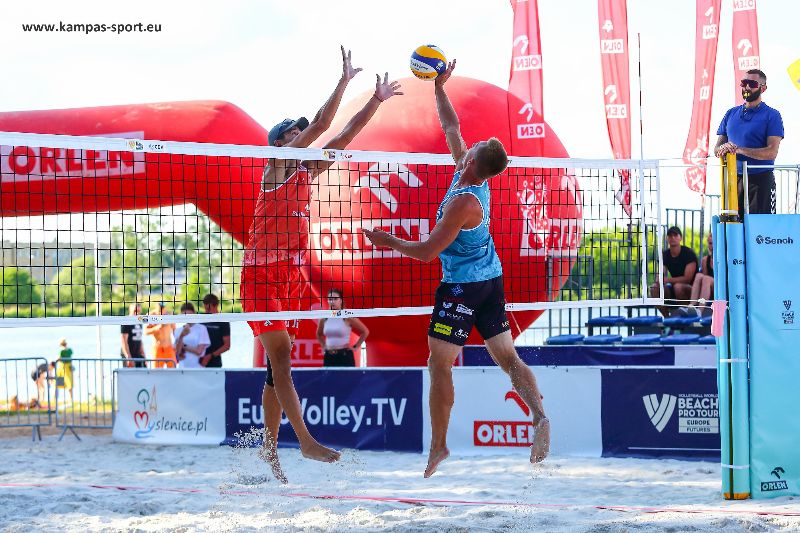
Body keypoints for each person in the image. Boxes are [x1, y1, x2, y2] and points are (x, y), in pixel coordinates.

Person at [362, 59, 549, 478]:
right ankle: (539, 417)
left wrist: (387, 240)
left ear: (473, 162)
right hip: (490, 280)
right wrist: (438, 88)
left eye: (475, 146)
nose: (469, 143)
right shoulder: (468, 173)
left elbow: (427, 252)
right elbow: (451, 126)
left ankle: (439, 445)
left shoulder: (466, 201)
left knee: (439, 363)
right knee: (505, 356)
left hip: (463, 289)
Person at [239, 46, 402, 482]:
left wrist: (375, 100)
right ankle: (305, 442)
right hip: (260, 275)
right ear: (280, 143)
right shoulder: (274, 166)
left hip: (290, 276)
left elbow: (343, 135)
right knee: (282, 359)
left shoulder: (306, 174)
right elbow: (324, 123)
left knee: (277, 370)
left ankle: (269, 452)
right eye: (295, 133)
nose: (302, 135)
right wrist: (345, 80)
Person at [714, 69, 784, 219]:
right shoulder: (730, 113)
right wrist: (723, 148)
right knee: (732, 228)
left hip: (760, 182)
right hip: (733, 181)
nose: (746, 87)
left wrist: (740, 150)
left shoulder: (772, 115)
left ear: (763, 88)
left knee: (761, 231)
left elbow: (772, 152)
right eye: (743, 83)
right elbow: (716, 149)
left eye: (751, 83)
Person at [649, 226, 698, 317]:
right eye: (670, 235)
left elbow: (687, 279)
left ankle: (685, 318)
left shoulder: (689, 253)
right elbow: (660, 274)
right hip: (674, 288)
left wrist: (667, 280)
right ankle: (667, 318)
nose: (673, 238)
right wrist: (658, 280)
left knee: (678, 287)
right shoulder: (665, 254)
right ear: (667, 238)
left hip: (693, 290)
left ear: (681, 238)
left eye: (675, 235)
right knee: (654, 288)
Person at [315, 288, 369, 367]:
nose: (332, 301)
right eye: (330, 299)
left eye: (335, 299)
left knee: (347, 379)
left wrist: (355, 347)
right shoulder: (324, 317)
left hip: (344, 355)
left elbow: (365, 331)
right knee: (330, 379)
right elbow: (319, 334)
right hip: (329, 356)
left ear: (341, 300)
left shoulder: (347, 316)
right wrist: (323, 346)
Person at [174, 302, 211, 369]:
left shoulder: (202, 328)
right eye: (185, 315)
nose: (188, 318)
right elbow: (177, 353)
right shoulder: (178, 331)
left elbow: (199, 351)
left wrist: (184, 345)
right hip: (182, 369)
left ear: (194, 313)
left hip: (197, 369)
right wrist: (182, 336)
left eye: (190, 315)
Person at [200, 293, 230, 368]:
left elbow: (227, 345)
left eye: (208, 309)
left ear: (216, 306)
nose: (206, 311)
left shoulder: (223, 321)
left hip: (215, 363)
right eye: (205, 309)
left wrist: (210, 356)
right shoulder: (200, 318)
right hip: (198, 361)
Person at [144, 302, 177, 368]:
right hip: (157, 348)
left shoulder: (169, 315)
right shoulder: (151, 315)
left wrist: (176, 344)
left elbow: (175, 331)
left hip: (169, 348)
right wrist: (157, 328)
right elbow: (146, 332)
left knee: (173, 372)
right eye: (160, 307)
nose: (161, 309)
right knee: (156, 373)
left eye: (163, 307)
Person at [690, 232, 714, 312]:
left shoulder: (725, 258)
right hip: (709, 290)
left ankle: (700, 311)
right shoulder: (705, 260)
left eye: (713, 243)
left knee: (706, 279)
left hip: (721, 289)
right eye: (710, 243)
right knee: (699, 275)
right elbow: (703, 282)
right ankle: (692, 306)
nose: (711, 246)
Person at [120, 303, 146, 368]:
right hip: (129, 354)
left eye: (138, 311)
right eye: (135, 311)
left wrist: (143, 354)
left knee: (142, 374)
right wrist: (128, 357)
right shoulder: (126, 321)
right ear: (130, 310)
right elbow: (124, 341)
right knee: (129, 375)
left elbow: (139, 339)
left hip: (137, 354)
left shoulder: (139, 321)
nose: (137, 313)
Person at [55, 338, 74, 405]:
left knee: (59, 382)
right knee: (69, 383)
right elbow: (71, 356)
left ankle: (56, 398)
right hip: (69, 367)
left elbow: (59, 358)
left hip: (63, 367)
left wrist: (55, 361)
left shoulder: (62, 351)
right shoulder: (70, 350)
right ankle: (71, 398)